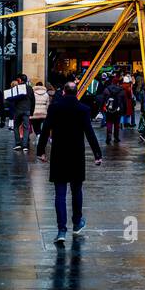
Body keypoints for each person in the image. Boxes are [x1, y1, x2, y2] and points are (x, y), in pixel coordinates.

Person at [36, 81, 103, 245]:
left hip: (59, 154)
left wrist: (41, 151)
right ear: (76, 92)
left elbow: (45, 129)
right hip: (76, 155)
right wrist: (97, 154)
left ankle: (61, 230)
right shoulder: (83, 109)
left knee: (60, 194)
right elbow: (89, 132)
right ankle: (77, 222)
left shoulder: (54, 108)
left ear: (64, 92)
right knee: (76, 190)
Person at [98, 74, 124, 145]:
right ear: (118, 82)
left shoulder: (107, 89)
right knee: (116, 124)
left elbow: (103, 99)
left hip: (108, 109)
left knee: (109, 122)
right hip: (118, 110)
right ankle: (116, 137)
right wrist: (123, 109)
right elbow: (123, 101)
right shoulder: (121, 90)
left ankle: (108, 136)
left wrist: (101, 109)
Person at [26, 80, 51, 152]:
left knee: (35, 126)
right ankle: (39, 136)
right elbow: (47, 105)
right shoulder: (46, 94)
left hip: (35, 113)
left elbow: (30, 103)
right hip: (43, 113)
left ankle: (38, 135)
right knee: (41, 125)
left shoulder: (33, 93)